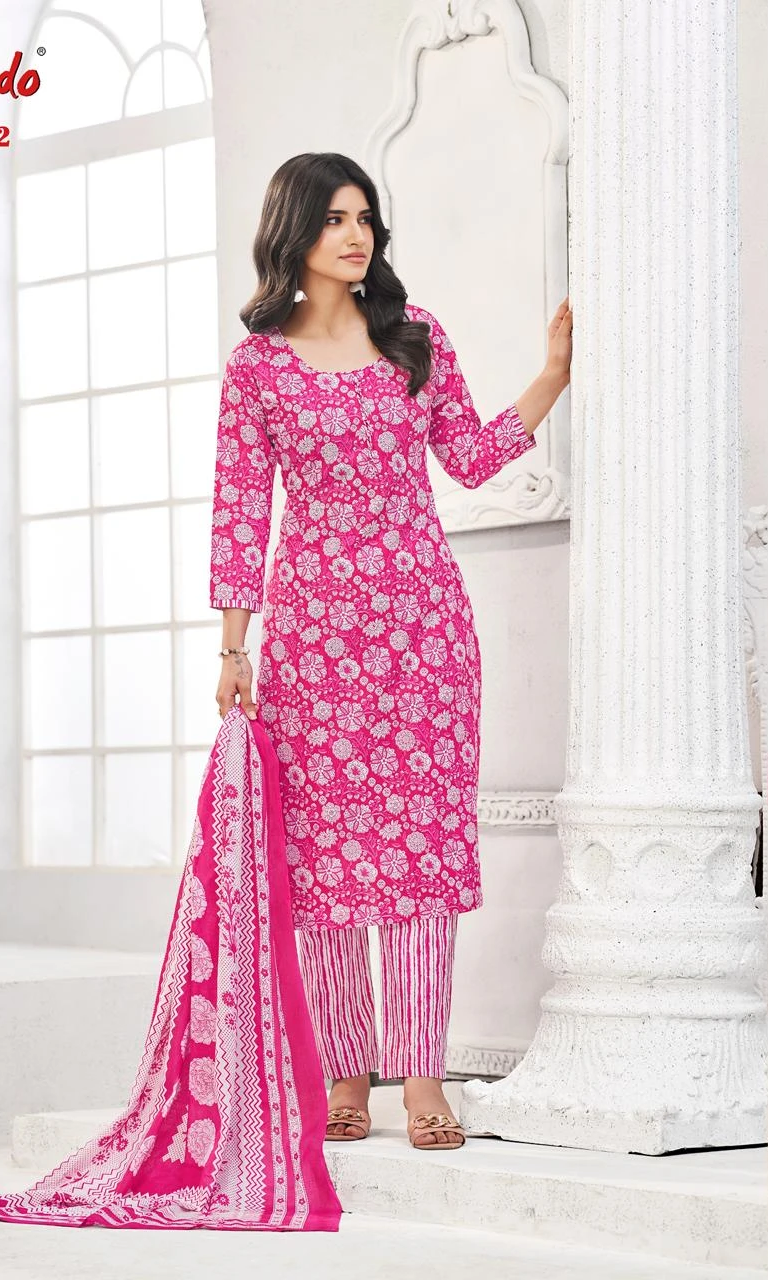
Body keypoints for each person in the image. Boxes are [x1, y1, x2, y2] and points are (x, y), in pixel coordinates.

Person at [210, 152, 572, 1149]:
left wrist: (551, 376)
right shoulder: (259, 368)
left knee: (418, 861)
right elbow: (240, 508)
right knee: (325, 863)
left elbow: (470, 457)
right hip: (312, 646)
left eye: (363, 216)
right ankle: (345, 1074)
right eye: (333, 218)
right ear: (294, 232)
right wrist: (234, 649)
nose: (354, 234)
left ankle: (422, 1080)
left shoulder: (414, 339)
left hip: (423, 637)